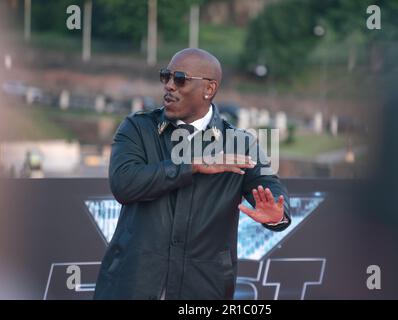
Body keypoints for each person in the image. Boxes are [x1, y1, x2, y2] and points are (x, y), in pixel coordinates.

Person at [94, 48, 291, 300]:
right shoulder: (137, 128)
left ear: (209, 89)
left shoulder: (241, 144)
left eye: (179, 79)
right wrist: (191, 166)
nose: (168, 86)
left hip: (204, 289)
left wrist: (276, 215)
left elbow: (270, 188)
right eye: (165, 76)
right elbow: (124, 184)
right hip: (133, 285)